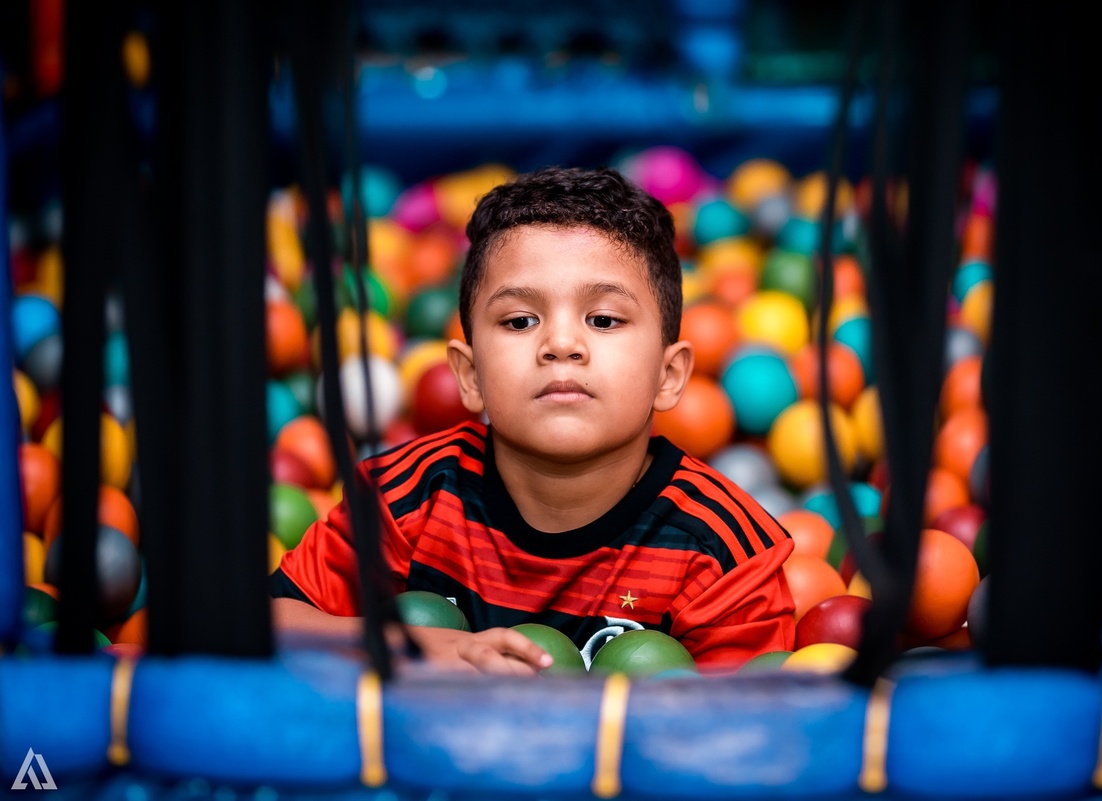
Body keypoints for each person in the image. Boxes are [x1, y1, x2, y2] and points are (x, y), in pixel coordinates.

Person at [270, 166, 797, 674]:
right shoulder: (405, 497)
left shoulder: (723, 555)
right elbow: (270, 621)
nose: (561, 344)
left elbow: (753, 734)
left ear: (670, 374)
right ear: (469, 374)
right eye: (520, 320)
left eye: (604, 319)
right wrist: (415, 646)